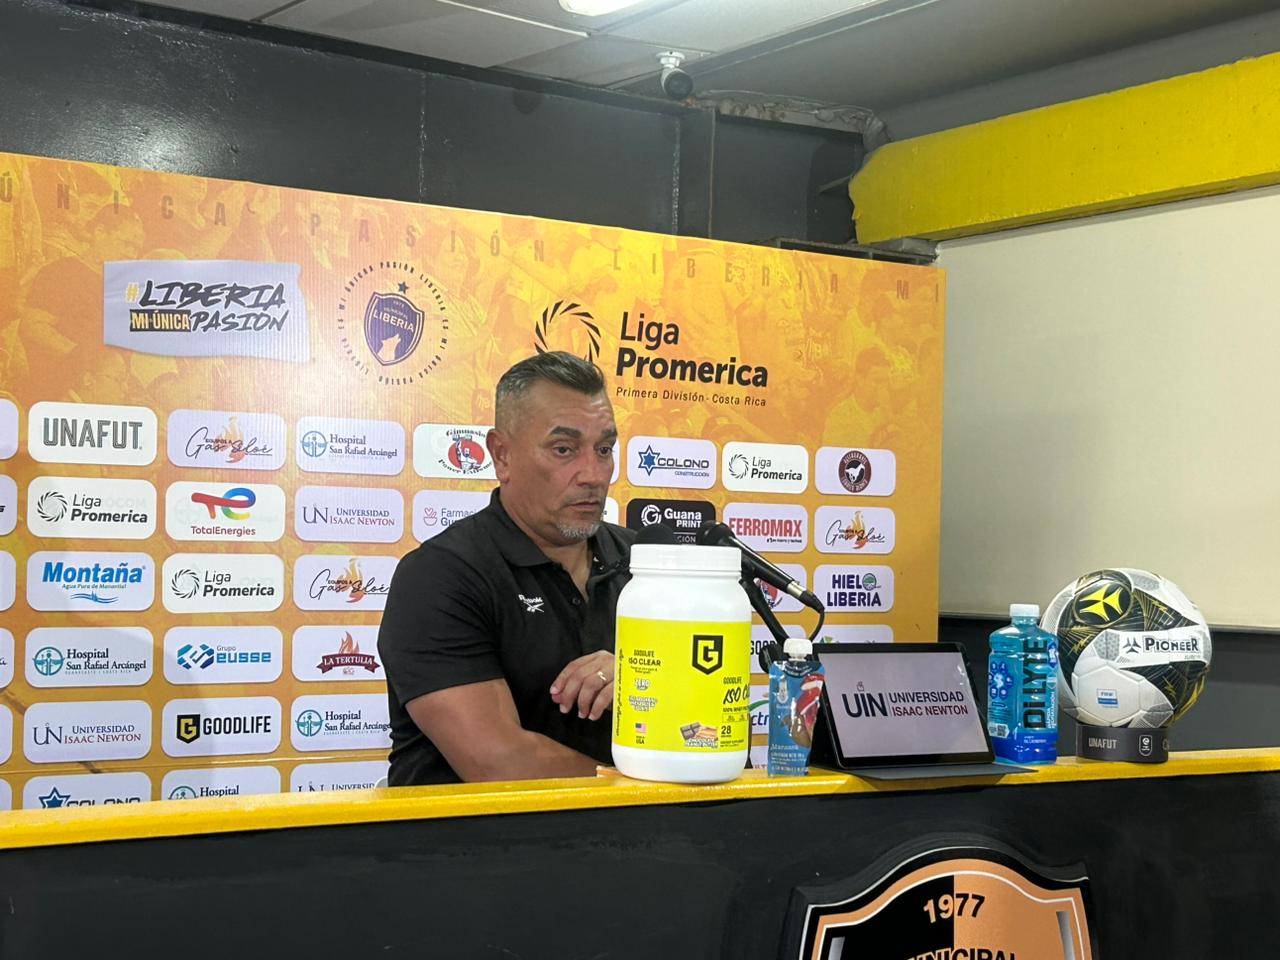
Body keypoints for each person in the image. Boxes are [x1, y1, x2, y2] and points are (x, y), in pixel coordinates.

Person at [378, 351, 634, 785]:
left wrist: (644, 676)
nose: (593, 474)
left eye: (604, 449)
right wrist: (643, 792)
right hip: (484, 831)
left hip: (648, 823)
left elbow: (707, 721)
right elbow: (498, 762)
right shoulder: (439, 576)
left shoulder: (650, 563)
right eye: (564, 449)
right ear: (502, 455)